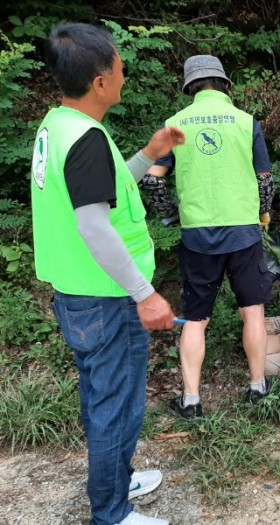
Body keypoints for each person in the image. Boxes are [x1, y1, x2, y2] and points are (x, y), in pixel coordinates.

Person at [30, 23, 185, 525]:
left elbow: (108, 190)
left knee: (105, 398)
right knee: (115, 406)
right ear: (100, 81)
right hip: (107, 300)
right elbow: (94, 226)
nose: (124, 75)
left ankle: (116, 477)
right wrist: (144, 294)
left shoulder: (59, 126)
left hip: (80, 295)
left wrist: (151, 154)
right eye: (120, 68)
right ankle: (112, 512)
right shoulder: (87, 139)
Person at [145, 55, 275, 420]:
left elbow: (152, 178)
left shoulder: (175, 124)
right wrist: (261, 217)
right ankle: (257, 389)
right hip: (243, 231)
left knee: (196, 317)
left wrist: (171, 215)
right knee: (253, 311)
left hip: (197, 233)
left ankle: (191, 401)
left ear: (190, 87)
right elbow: (265, 179)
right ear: (224, 84)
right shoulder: (247, 122)